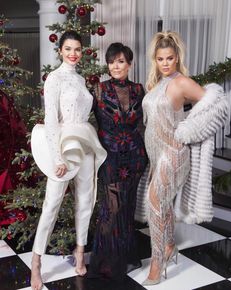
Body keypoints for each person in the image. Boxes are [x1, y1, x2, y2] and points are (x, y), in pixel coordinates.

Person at [142, 31, 228, 285]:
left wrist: (188, 130)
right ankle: (168, 246)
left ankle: (157, 263)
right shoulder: (157, 83)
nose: (165, 63)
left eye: (169, 58)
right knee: (163, 204)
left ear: (177, 57)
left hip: (174, 153)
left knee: (154, 203)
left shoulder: (182, 82)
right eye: (160, 59)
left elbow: (217, 103)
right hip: (156, 155)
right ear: (155, 60)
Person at [30, 30, 107, 290]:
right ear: (60, 50)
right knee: (51, 204)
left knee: (85, 200)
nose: (73, 53)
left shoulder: (82, 79)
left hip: (84, 141)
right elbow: (51, 119)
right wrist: (57, 157)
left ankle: (79, 252)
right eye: (68, 49)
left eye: (77, 49)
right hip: (64, 145)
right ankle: (36, 262)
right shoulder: (54, 78)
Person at [87, 42, 148, 280]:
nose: (116, 66)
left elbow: (150, 120)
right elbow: (81, 118)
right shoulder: (98, 90)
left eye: (121, 61)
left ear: (129, 64)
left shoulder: (139, 90)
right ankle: (105, 262)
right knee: (111, 210)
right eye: (112, 62)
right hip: (109, 158)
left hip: (134, 157)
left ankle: (124, 258)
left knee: (127, 209)